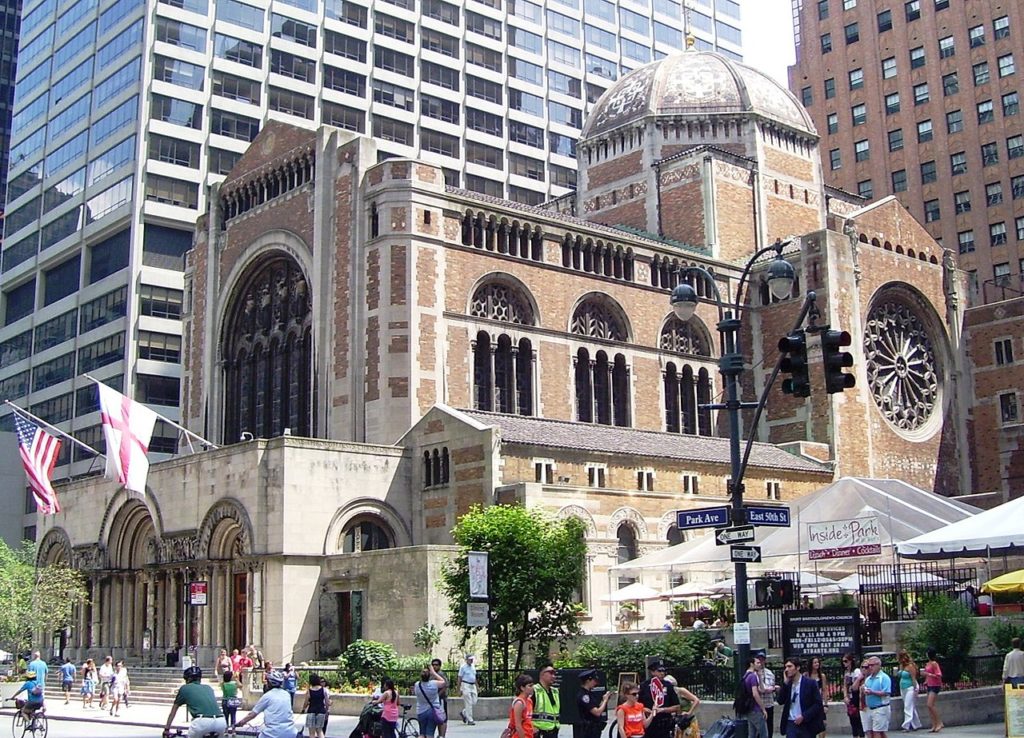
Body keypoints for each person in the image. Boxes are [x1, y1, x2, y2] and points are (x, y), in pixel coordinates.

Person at [163, 666, 227, 738]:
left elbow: (173, 712)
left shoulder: (185, 688)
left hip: (201, 722)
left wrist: (166, 729)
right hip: (220, 721)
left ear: (188, 679)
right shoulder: (208, 688)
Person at [232, 668, 295, 737]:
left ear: (270, 683)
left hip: (273, 733)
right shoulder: (287, 694)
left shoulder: (267, 696)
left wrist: (241, 723)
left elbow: (252, 714)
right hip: (291, 731)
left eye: (267, 682)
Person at [777, 658, 825, 738]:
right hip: (791, 722)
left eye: (789, 666)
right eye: (785, 667)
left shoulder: (810, 683)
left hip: (806, 723)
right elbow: (780, 701)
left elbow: (818, 704)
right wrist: (785, 683)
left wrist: (804, 716)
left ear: (798, 667)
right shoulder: (788, 684)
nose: (787, 670)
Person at [638, 661, 680, 738]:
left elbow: (676, 706)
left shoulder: (668, 685)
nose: (662, 673)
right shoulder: (644, 686)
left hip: (664, 723)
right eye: (659, 671)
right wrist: (645, 709)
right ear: (652, 672)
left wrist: (662, 710)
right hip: (649, 723)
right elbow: (637, 705)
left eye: (663, 671)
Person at [736, 656, 768, 738]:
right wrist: (763, 708)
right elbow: (755, 694)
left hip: (749, 708)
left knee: (752, 733)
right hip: (755, 708)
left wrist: (760, 676)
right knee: (763, 733)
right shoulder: (752, 676)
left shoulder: (746, 676)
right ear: (751, 664)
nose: (760, 664)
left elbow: (762, 690)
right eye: (757, 663)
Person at [576, 668, 612, 738]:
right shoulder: (584, 696)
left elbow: (597, 708)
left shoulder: (590, 693)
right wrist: (605, 700)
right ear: (588, 681)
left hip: (594, 728)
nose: (595, 683)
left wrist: (604, 700)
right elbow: (597, 712)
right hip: (588, 730)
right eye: (594, 680)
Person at [862, 656, 892, 738]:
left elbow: (886, 692)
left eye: (872, 665)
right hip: (870, 708)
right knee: (877, 732)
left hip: (880, 708)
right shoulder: (868, 679)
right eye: (869, 665)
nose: (870, 667)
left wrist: (872, 692)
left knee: (877, 732)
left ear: (878, 665)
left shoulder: (884, 677)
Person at [415, 662, 447, 738]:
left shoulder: (417, 685)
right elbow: (444, 682)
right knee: (430, 733)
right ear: (430, 676)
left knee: (422, 733)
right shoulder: (434, 684)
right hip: (432, 711)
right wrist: (433, 672)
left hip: (421, 711)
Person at [841, 653, 865, 738]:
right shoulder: (846, 672)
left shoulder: (856, 671)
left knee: (857, 718)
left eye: (846, 661)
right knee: (852, 718)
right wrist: (845, 696)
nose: (844, 663)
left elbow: (855, 687)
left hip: (856, 696)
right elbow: (845, 685)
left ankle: (861, 735)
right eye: (843, 661)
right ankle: (855, 735)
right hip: (850, 696)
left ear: (851, 661)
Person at [896, 650, 920, 732]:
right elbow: (899, 675)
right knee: (911, 706)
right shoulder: (902, 666)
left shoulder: (910, 666)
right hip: (903, 688)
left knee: (907, 706)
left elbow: (913, 678)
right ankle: (916, 724)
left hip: (910, 688)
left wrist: (915, 689)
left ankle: (906, 726)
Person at [301, 672, 330, 738]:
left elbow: (306, 702)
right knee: (319, 731)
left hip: (311, 711)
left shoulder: (309, 691)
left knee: (311, 732)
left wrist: (303, 709)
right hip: (321, 711)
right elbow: (327, 702)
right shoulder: (324, 690)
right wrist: (327, 711)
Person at [755, 653, 777, 738]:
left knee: (769, 727)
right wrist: (767, 689)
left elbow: (771, 686)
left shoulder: (769, 673)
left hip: (769, 703)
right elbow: (760, 689)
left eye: (762, 660)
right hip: (758, 705)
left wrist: (770, 689)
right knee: (758, 729)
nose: (761, 662)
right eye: (759, 660)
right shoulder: (753, 674)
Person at [921, 650, 943, 733]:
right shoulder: (928, 664)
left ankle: (939, 722)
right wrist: (926, 680)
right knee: (930, 706)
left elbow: (938, 675)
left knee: (930, 704)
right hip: (929, 685)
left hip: (935, 685)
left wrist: (928, 675)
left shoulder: (934, 664)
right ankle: (934, 725)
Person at [806, 657, 828, 738]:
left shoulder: (822, 676)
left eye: (818, 662)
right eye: (815, 662)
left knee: (822, 723)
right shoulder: (806, 675)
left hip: (819, 702)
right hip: (809, 703)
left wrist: (825, 704)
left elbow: (824, 690)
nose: (817, 664)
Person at [510, 673, 536, 738]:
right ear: (522, 688)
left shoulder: (529, 701)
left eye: (532, 685)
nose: (532, 688)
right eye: (530, 686)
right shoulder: (519, 703)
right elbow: (518, 726)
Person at [457, 653, 479, 725]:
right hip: (465, 684)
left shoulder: (473, 666)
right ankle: (470, 719)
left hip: (472, 685)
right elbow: (459, 678)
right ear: (466, 660)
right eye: (470, 659)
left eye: (472, 659)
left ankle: (464, 712)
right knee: (468, 702)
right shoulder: (463, 667)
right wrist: (458, 689)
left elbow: (474, 677)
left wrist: (477, 686)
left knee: (474, 701)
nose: (471, 660)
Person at [431, 658, 450, 737]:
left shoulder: (441, 674)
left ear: (439, 666)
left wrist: (438, 695)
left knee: (442, 717)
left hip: (441, 699)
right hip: (433, 699)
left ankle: (442, 735)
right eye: (433, 665)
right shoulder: (431, 674)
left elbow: (445, 685)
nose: (434, 666)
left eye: (436, 665)